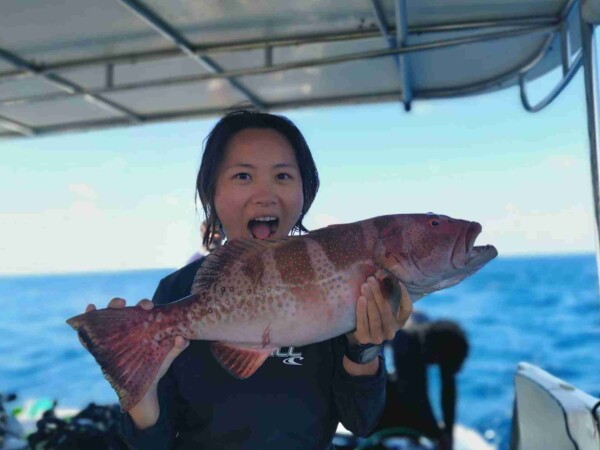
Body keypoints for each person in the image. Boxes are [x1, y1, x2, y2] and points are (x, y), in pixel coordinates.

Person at [83, 110, 413, 450]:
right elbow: (154, 444)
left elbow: (361, 421)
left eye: (283, 176)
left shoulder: (339, 283)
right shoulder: (176, 292)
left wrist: (364, 349)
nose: (264, 194)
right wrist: (140, 393)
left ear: (305, 190)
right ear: (212, 192)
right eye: (243, 176)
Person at [373, 317, 469, 450]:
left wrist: (448, 432)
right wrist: (437, 434)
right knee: (395, 395)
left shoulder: (435, 339)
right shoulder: (407, 341)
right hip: (383, 352)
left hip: (403, 338)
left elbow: (448, 388)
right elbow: (416, 397)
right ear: (434, 354)